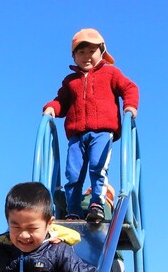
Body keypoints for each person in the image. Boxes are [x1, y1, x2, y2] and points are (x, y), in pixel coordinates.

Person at [42, 28, 139, 224]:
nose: (86, 56)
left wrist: (129, 107)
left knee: (97, 166)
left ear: (102, 52)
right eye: (81, 52)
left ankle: (97, 203)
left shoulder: (110, 73)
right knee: (73, 173)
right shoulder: (71, 81)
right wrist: (52, 108)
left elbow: (129, 87)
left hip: (102, 131)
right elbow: (61, 101)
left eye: (91, 52)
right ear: (74, 56)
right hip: (77, 135)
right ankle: (74, 210)